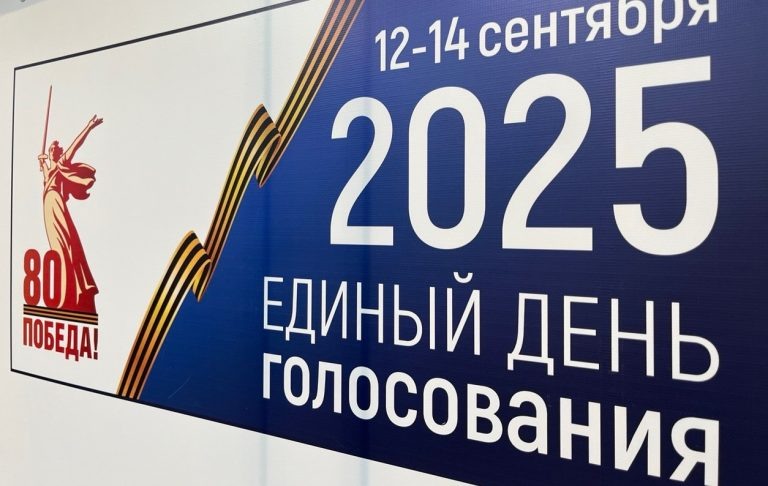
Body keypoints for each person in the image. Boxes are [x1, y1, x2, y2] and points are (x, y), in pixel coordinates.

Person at [37, 115, 102, 313]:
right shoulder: (48, 170)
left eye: (56, 149)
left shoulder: (62, 163)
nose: (53, 150)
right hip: (48, 207)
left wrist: (88, 127)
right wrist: (42, 163)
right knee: (56, 247)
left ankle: (74, 288)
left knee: (66, 244)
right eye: (52, 149)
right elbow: (45, 173)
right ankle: (64, 290)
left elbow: (75, 144)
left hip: (56, 204)